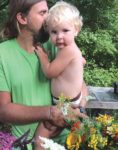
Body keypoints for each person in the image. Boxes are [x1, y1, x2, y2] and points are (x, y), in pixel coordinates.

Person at [0, 0, 88, 149]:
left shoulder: (55, 46)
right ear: (22, 18)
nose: (48, 17)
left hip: (69, 141)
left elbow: (79, 82)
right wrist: (50, 113)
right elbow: (3, 110)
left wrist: (79, 108)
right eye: (42, 13)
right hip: (26, 143)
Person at [34, 1, 87, 149]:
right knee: (65, 135)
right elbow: (75, 62)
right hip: (66, 102)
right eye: (54, 32)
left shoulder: (69, 50)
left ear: (76, 30)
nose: (59, 37)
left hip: (66, 105)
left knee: (40, 139)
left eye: (65, 30)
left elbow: (50, 72)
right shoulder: (70, 50)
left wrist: (43, 57)